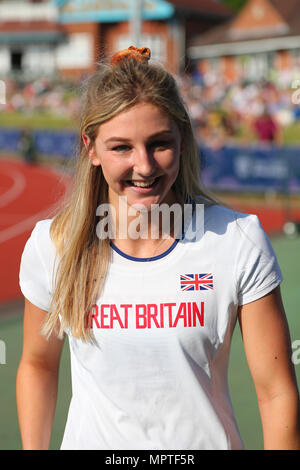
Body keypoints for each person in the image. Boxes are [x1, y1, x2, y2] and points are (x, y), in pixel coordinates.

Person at [17, 46, 300, 450]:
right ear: (91, 148)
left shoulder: (238, 240)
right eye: (121, 148)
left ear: (183, 140)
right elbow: (37, 364)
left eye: (159, 143)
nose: (144, 166)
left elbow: (276, 393)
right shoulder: (55, 245)